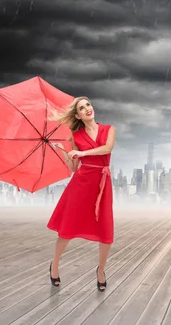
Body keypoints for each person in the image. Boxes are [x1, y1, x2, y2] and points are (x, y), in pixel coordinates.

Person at [47, 96, 116, 292]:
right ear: (77, 115)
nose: (87, 109)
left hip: (102, 182)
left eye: (88, 104)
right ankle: (54, 265)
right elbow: (73, 167)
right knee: (68, 227)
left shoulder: (109, 129)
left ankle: (101, 270)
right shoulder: (75, 137)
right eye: (81, 108)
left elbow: (107, 148)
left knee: (105, 229)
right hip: (81, 183)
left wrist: (83, 154)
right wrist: (63, 151)